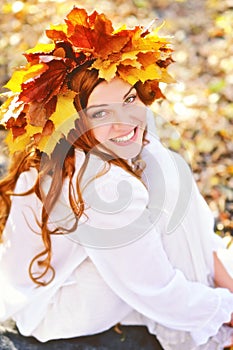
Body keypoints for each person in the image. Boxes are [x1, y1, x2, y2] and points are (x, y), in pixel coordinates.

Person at [0, 7, 233, 350]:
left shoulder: (110, 144)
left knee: (168, 177)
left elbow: (191, 221)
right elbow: (157, 290)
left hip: (52, 280)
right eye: (100, 113)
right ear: (73, 122)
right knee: (155, 221)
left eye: (128, 99)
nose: (125, 122)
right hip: (57, 308)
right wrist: (225, 310)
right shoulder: (102, 184)